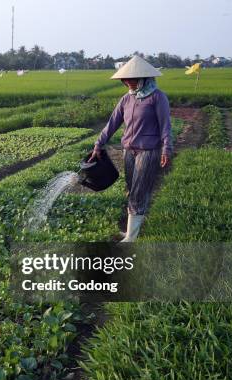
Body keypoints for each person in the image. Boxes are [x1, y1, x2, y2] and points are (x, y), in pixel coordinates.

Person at [89, 55, 173, 242]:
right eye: (125, 80)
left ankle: (131, 239)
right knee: (131, 188)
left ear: (143, 79)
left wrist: (167, 149)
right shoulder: (126, 100)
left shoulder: (157, 98)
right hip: (129, 150)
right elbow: (112, 124)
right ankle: (130, 231)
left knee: (138, 191)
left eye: (131, 80)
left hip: (148, 151)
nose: (127, 83)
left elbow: (166, 126)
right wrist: (98, 144)